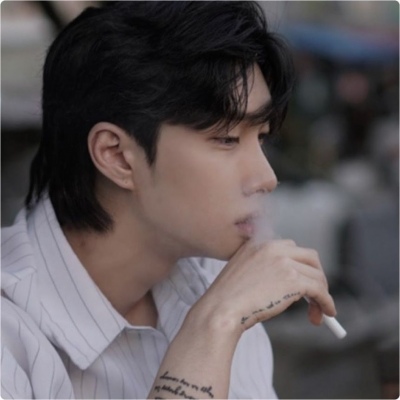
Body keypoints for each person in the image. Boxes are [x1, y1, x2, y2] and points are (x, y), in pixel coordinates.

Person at [1, 2, 336, 399]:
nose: (266, 178)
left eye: (260, 137)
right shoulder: (14, 335)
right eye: (226, 139)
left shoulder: (221, 283)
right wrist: (213, 326)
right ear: (117, 156)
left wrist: (222, 313)